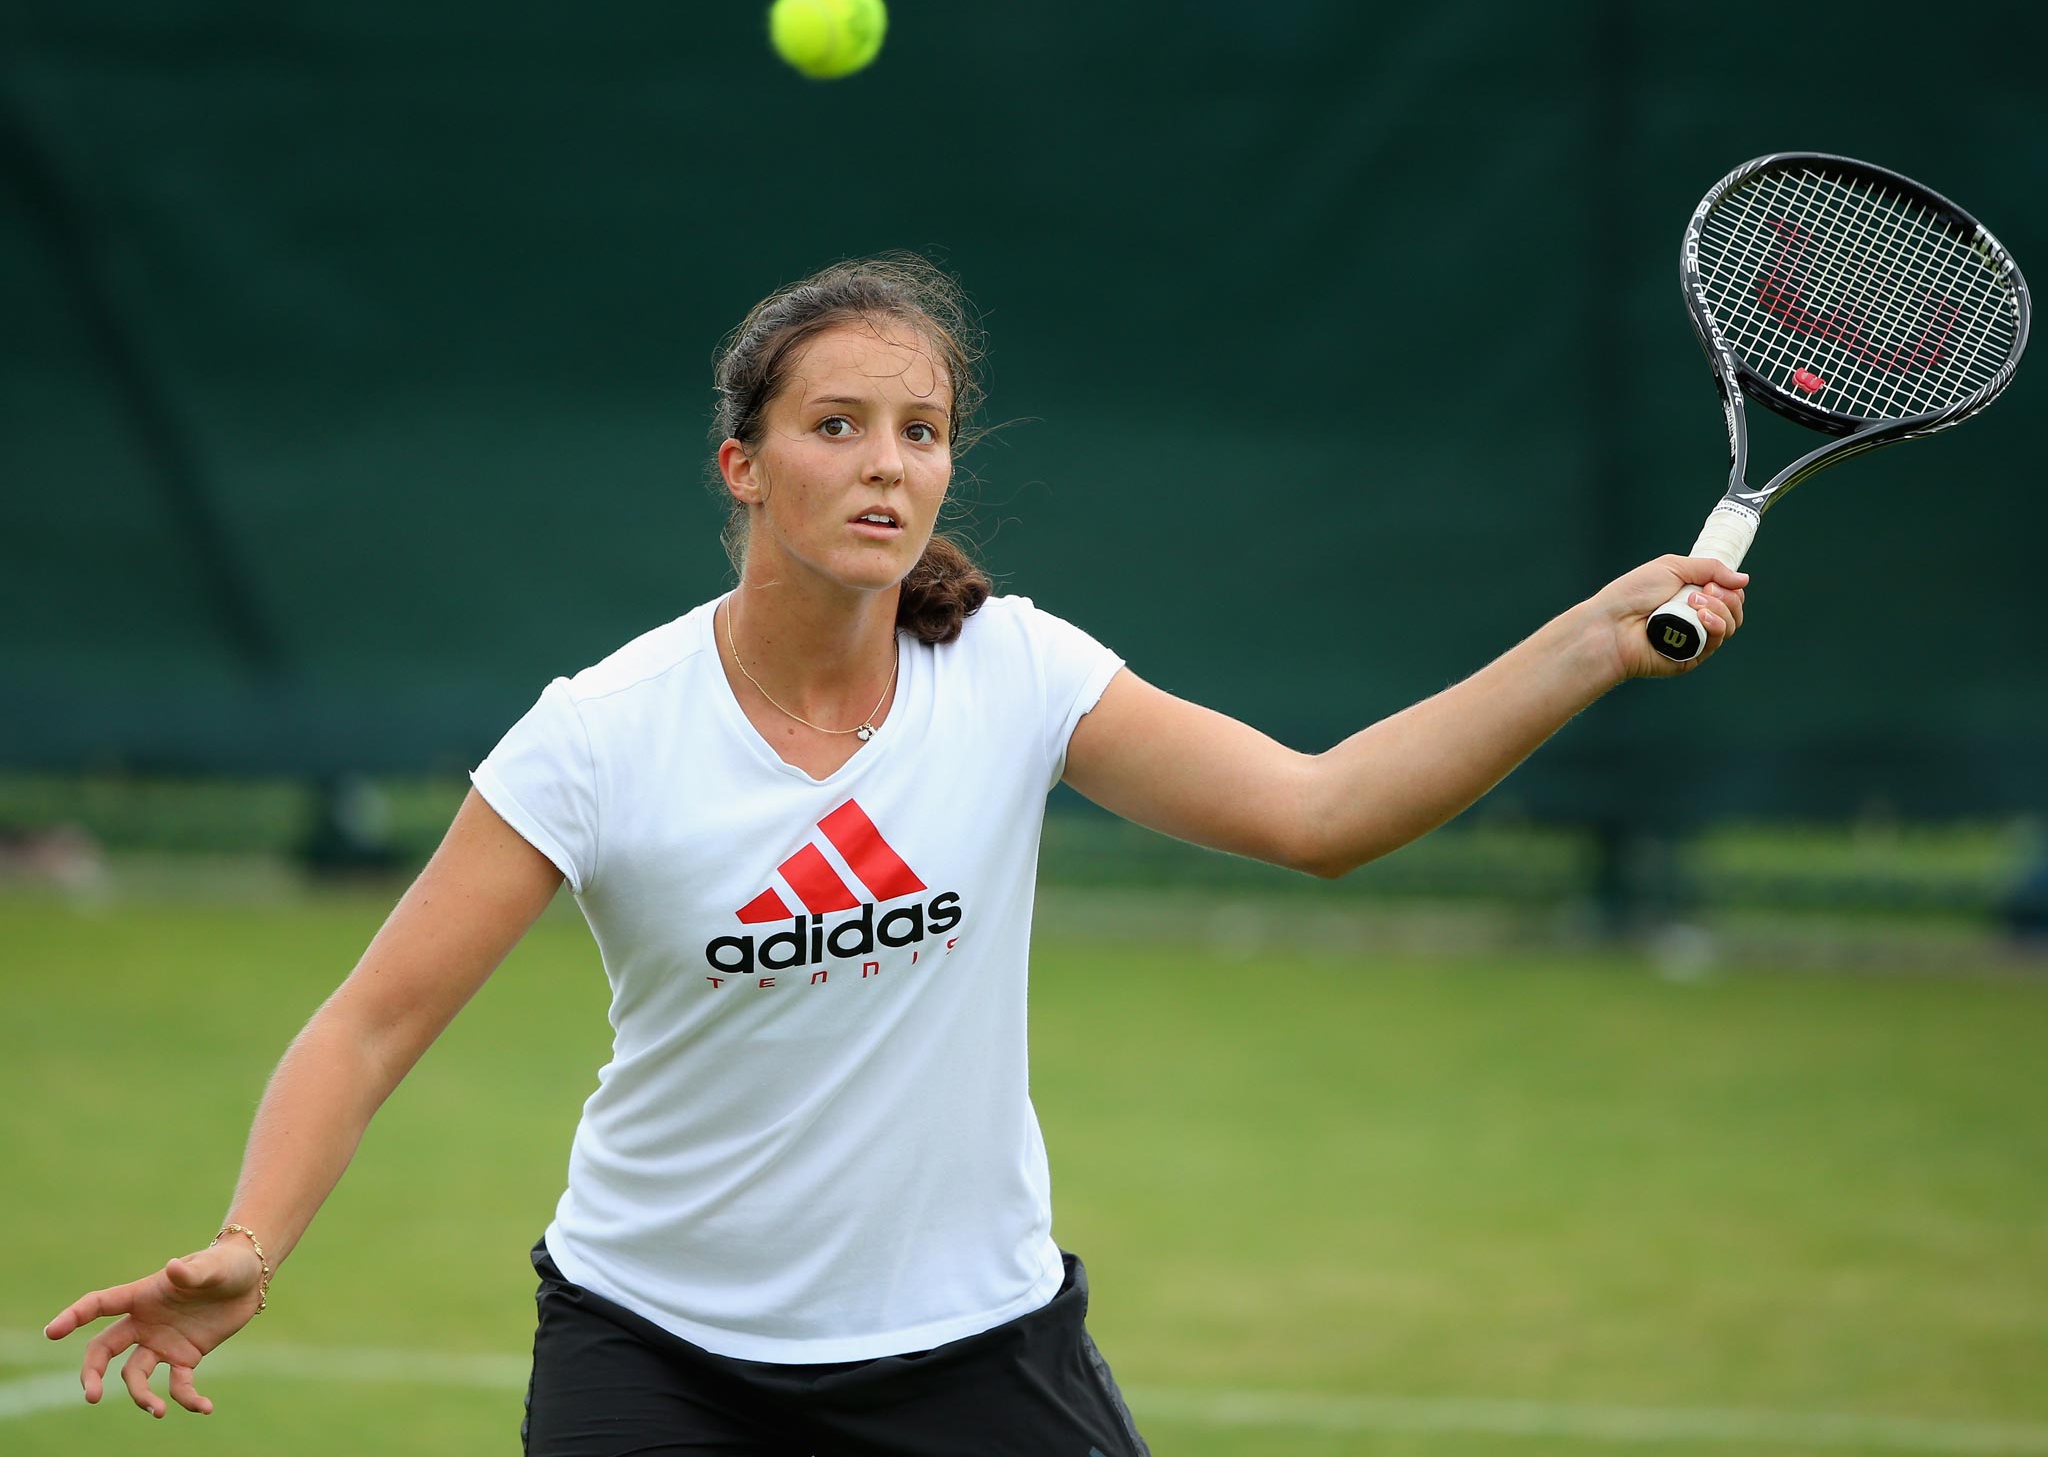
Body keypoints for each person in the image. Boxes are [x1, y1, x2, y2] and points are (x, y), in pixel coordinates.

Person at [44, 254, 1747, 1454]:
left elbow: (1323, 814)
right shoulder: (603, 727)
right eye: (837, 425)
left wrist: (1592, 640)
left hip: (969, 1350)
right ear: (744, 463)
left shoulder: (1013, 672)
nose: (886, 464)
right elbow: (372, 1022)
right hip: (655, 1356)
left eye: (919, 430)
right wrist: (254, 1242)